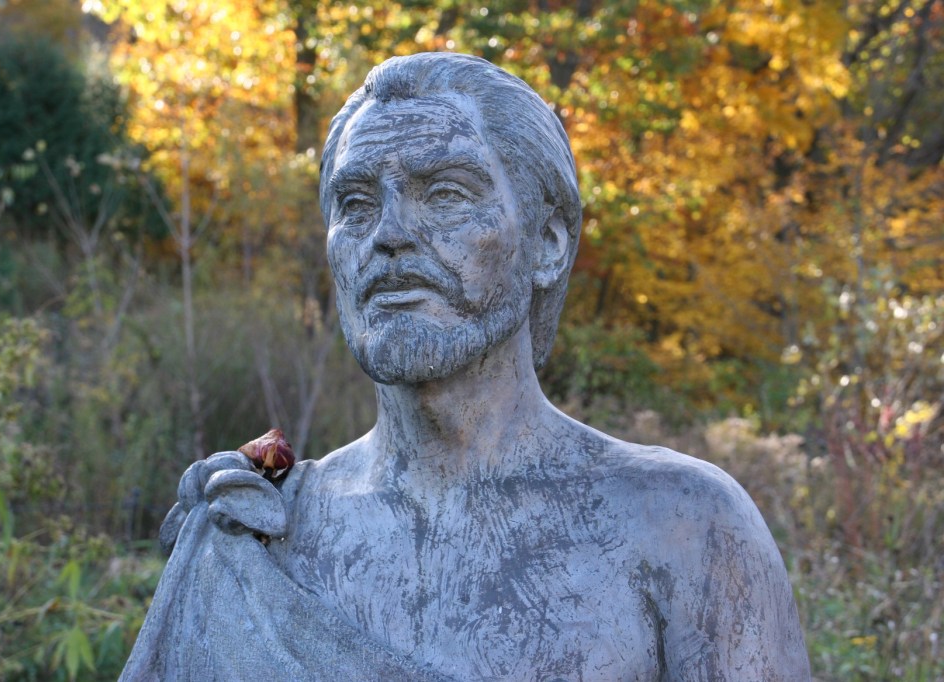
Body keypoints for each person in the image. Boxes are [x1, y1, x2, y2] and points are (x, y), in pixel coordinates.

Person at [122, 53, 810, 681]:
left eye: (445, 194)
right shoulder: (260, 538)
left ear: (546, 242)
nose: (388, 234)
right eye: (355, 204)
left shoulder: (684, 527)